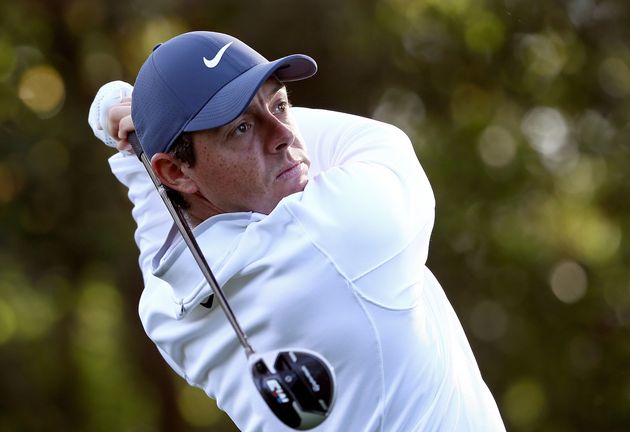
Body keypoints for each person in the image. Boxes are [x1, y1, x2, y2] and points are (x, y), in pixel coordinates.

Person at [89, 31, 505, 431]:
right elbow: (384, 141)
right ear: (176, 171)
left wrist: (139, 125)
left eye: (281, 104)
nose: (283, 133)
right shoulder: (339, 235)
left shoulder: (164, 310)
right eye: (241, 128)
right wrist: (122, 109)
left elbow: (155, 206)